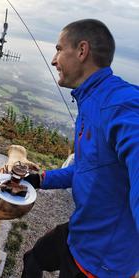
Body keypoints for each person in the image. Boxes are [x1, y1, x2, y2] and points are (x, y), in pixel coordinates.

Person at [22, 19, 139, 277]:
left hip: (101, 262)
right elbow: (86, 169)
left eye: (59, 49)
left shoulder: (121, 103)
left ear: (82, 51)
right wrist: (38, 179)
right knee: (33, 259)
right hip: (80, 231)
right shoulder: (89, 100)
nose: (54, 60)